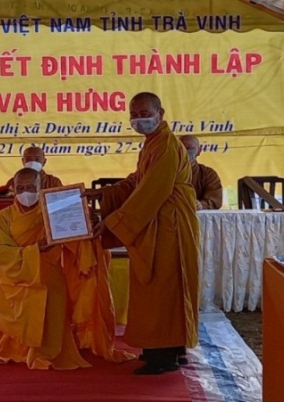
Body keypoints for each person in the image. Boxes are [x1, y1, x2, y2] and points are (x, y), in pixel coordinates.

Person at [83, 92, 200, 375]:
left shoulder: (168, 146)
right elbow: (139, 180)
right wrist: (104, 193)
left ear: (160, 113)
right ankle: (164, 349)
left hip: (169, 226)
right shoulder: (153, 144)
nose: (139, 119)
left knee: (164, 288)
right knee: (157, 290)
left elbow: (151, 192)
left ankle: (165, 356)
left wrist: (113, 222)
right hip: (155, 224)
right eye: (134, 114)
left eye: (144, 113)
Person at [0, 168, 133, 370]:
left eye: (31, 187)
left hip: (51, 275)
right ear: (12, 189)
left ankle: (49, 350)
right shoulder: (2, 217)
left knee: (53, 316)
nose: (25, 193)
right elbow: (0, 250)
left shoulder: (53, 212)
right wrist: (34, 250)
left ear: (41, 188)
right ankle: (19, 351)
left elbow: (77, 239)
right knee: (19, 318)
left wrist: (87, 223)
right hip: (16, 278)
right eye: (20, 188)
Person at [179, 135, 223, 210]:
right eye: (181, 148)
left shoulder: (208, 174)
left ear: (199, 151)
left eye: (189, 148)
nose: (185, 152)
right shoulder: (167, 173)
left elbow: (215, 199)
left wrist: (202, 205)